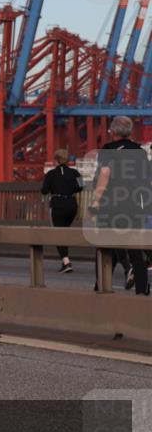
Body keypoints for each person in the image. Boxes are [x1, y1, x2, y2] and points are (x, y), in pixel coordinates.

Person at [89, 115, 150, 296]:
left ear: (113, 132)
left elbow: (104, 176)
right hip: (134, 206)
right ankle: (141, 289)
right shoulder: (140, 151)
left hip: (111, 205)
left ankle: (101, 286)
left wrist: (95, 202)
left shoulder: (108, 150)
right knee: (136, 251)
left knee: (104, 247)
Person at [41, 149, 83, 273]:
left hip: (57, 205)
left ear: (56, 160)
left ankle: (66, 262)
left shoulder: (51, 174)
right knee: (64, 231)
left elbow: (44, 190)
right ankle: (65, 259)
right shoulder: (75, 172)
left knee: (58, 234)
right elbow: (81, 186)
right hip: (71, 205)